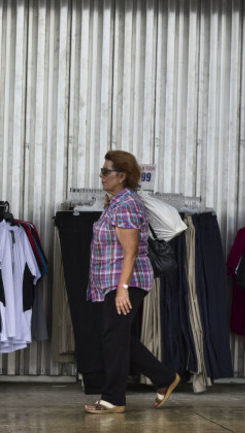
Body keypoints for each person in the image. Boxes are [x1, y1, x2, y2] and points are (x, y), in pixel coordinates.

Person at [84, 150, 179, 414]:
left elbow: (131, 250)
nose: (101, 176)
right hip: (113, 281)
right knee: (117, 336)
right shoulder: (116, 201)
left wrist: (122, 288)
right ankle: (165, 378)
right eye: (102, 171)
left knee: (114, 338)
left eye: (106, 171)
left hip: (125, 281)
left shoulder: (125, 204)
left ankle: (113, 399)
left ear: (122, 175)